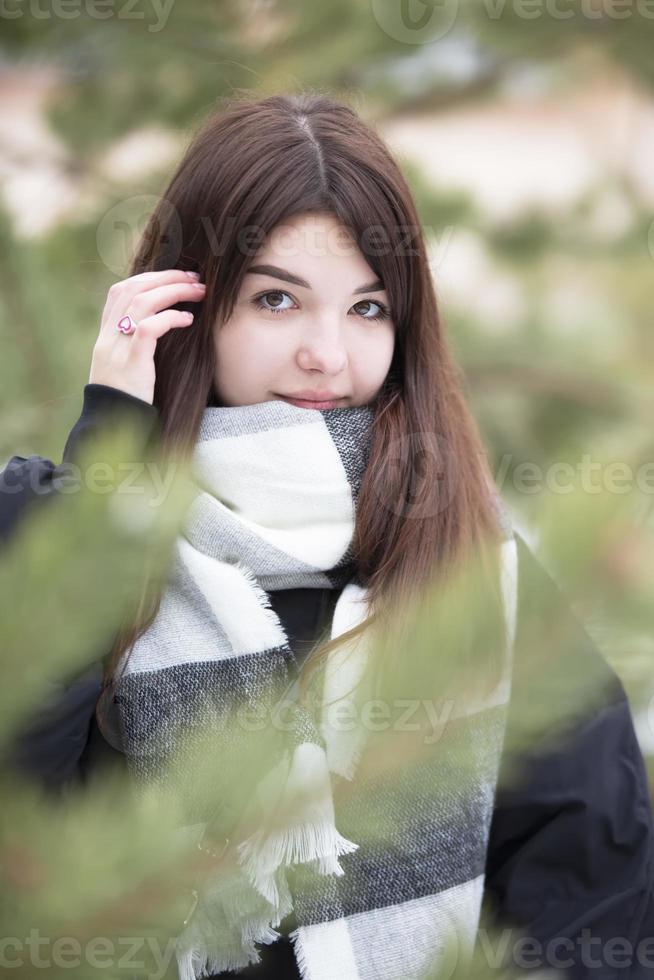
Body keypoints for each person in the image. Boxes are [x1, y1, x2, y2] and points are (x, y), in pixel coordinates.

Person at [2, 92, 653, 980]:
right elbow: (21, 818)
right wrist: (107, 470)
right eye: (278, 299)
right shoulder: (77, 526)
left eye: (368, 308)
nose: (327, 354)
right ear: (188, 307)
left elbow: (589, 888)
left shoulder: (469, 557)